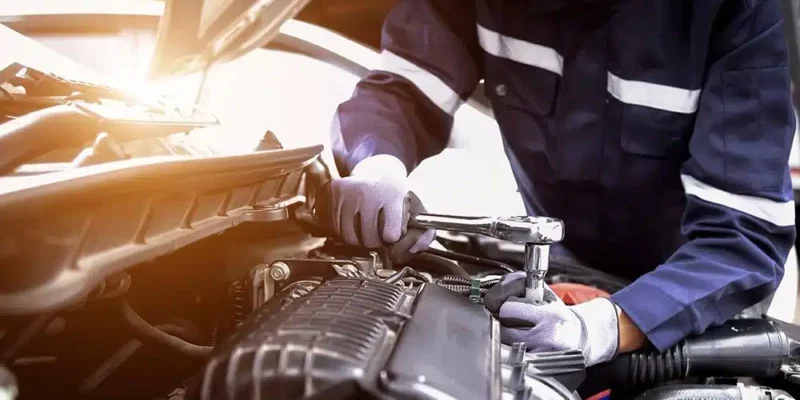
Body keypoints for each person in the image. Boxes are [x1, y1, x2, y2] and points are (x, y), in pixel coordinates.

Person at [323, 0, 797, 367]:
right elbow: (404, 88)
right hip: (557, 280)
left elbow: (742, 238)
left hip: (696, 298)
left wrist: (606, 327)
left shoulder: (735, 10)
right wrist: (376, 161)